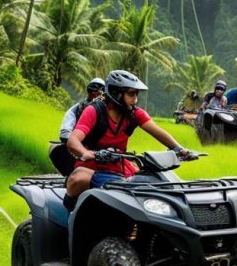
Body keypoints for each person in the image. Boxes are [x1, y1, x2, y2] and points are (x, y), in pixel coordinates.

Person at [62, 70, 192, 210]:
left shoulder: (134, 114)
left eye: (136, 94)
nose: (135, 99)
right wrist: (86, 153)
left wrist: (179, 149)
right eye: (131, 94)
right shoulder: (94, 111)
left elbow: (159, 132)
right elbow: (73, 140)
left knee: (146, 189)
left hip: (118, 166)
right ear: (116, 93)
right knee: (78, 179)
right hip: (92, 165)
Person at [58, 78, 105, 142]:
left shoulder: (107, 112)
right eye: (91, 91)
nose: (93, 93)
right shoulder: (76, 109)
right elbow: (65, 133)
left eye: (98, 93)